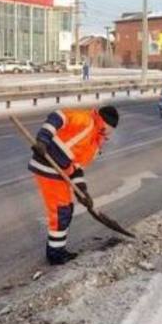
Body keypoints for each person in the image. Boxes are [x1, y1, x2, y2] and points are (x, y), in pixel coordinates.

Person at [28, 105, 119, 264]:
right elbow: (57, 117)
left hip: (60, 173)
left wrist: (82, 192)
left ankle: (58, 250)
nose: (109, 135)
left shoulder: (94, 144)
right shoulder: (85, 120)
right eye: (109, 129)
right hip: (47, 165)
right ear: (104, 123)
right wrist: (42, 140)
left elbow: (76, 169)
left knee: (66, 211)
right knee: (61, 211)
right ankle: (55, 255)